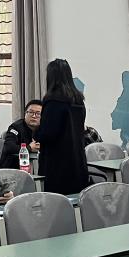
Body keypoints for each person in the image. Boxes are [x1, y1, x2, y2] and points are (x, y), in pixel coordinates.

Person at [38, 58, 89, 195]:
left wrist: (36, 132)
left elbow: (48, 134)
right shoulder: (78, 101)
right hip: (77, 160)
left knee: (57, 202)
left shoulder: (53, 101)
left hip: (57, 164)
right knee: (76, 201)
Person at [1, 100, 42, 169]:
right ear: (25, 113)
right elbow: (9, 147)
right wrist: (29, 148)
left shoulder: (45, 129)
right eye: (31, 112)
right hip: (13, 168)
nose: (34, 116)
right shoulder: (16, 127)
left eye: (38, 113)